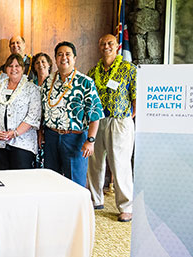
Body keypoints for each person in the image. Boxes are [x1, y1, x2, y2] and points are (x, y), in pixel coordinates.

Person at [86, 33, 137, 222]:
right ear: (99, 47)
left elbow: (136, 96)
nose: (106, 46)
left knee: (120, 164)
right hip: (98, 122)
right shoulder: (93, 72)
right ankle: (95, 199)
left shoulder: (128, 69)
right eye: (103, 43)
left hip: (119, 121)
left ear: (117, 46)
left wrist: (128, 117)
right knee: (95, 162)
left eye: (110, 43)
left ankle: (126, 206)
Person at [41, 41, 104, 187]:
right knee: (51, 179)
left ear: (74, 58)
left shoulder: (85, 82)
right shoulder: (48, 82)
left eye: (68, 54)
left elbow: (95, 114)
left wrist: (91, 140)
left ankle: (74, 210)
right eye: (60, 54)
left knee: (74, 182)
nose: (64, 58)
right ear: (55, 58)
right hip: (51, 137)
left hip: (74, 138)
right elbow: (42, 110)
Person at [0, 53, 42, 170]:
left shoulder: (32, 89)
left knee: (20, 180)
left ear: (23, 69)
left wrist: (15, 133)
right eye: (10, 66)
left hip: (22, 143)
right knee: (0, 178)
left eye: (17, 66)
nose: (14, 69)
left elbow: (33, 116)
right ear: (6, 69)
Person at [29, 52, 53, 168]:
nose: (40, 65)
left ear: (49, 64)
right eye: (37, 62)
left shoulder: (55, 84)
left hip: (48, 128)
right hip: (32, 128)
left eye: (43, 61)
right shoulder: (30, 85)